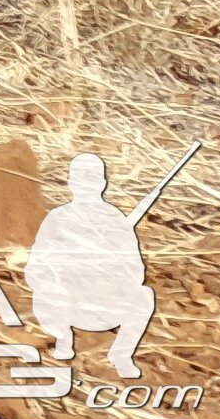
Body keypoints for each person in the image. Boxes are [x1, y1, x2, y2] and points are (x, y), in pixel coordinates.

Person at [26, 152, 157, 379]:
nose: (86, 186)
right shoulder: (57, 218)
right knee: (46, 292)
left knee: (144, 295)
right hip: (66, 302)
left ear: (102, 184)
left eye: (91, 180)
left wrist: (109, 272)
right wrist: (62, 274)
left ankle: (121, 355)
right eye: (81, 179)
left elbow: (136, 271)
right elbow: (35, 266)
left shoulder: (116, 221)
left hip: (104, 303)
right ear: (71, 183)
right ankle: (63, 340)